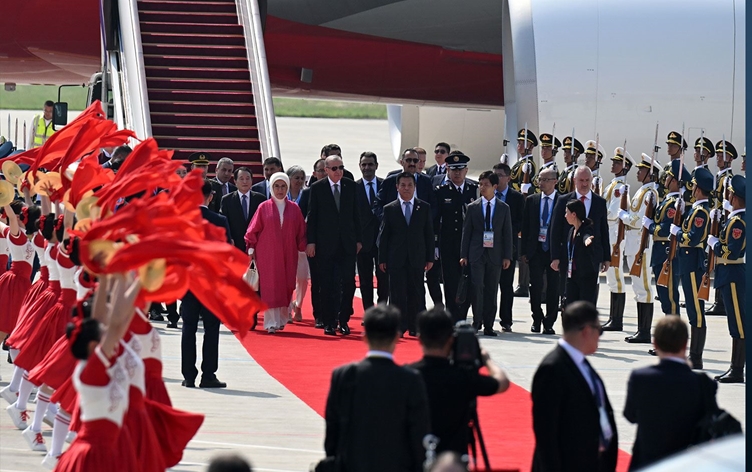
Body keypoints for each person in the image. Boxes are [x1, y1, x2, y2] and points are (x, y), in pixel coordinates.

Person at [324, 304, 430, 472]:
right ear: (396, 337)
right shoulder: (410, 379)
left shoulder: (344, 376)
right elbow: (418, 433)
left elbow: (332, 431)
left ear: (364, 336)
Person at [531, 301, 617, 472]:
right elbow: (546, 434)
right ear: (587, 331)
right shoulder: (552, 369)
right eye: (599, 331)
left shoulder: (582, 364)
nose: (600, 337)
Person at [410, 308, 509, 456]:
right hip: (454, 458)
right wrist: (487, 360)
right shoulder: (463, 376)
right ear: (451, 339)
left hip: (415, 456)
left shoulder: (408, 375)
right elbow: (502, 383)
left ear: (420, 339)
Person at [623, 315, 715, 470]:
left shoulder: (640, 378)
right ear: (685, 344)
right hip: (684, 463)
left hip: (647, 461)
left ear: (655, 343)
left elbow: (630, 415)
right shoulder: (702, 383)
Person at [180, 180, 232, 389]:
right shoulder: (219, 220)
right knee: (211, 329)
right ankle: (208, 374)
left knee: (188, 328)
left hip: (189, 280)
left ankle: (188, 375)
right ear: (210, 196)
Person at [306, 155, 362, 336]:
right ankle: (329, 321)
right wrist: (311, 242)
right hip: (326, 245)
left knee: (348, 283)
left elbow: (357, 215)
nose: (339, 171)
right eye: (335, 168)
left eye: (341, 167)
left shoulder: (351, 186)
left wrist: (359, 240)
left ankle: (343, 320)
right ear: (326, 170)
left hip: (347, 244)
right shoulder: (317, 188)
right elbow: (312, 217)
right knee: (327, 284)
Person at [244, 173, 307, 333]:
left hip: (288, 253)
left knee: (286, 285)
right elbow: (253, 229)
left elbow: (301, 231)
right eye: (276, 186)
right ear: (271, 187)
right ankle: (270, 323)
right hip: (268, 254)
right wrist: (251, 247)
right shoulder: (263, 207)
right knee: (270, 286)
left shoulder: (294, 208)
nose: (280, 190)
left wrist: (304, 246)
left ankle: (281, 320)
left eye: (283, 186)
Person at [378, 172, 434, 336]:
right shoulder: (390, 208)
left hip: (417, 257)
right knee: (397, 293)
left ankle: (415, 326)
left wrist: (430, 257)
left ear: (415, 187)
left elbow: (428, 234)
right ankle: (399, 326)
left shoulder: (424, 207)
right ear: (397, 187)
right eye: (403, 185)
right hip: (396, 258)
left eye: (410, 185)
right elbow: (384, 236)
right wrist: (382, 258)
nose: (406, 188)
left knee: (416, 292)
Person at [460, 171, 512, 335]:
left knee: (491, 289)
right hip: (476, 253)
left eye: (486, 185)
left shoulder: (503, 208)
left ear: (495, 187)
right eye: (480, 184)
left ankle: (489, 324)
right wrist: (464, 254)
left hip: (495, 254)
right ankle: (477, 321)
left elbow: (507, 233)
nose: (482, 188)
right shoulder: (473, 207)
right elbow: (466, 232)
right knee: (477, 287)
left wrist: (507, 256)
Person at [549, 166, 610, 306]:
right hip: (568, 258)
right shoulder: (564, 200)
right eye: (581, 180)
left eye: (587, 180)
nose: (584, 184)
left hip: (591, 259)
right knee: (569, 297)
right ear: (575, 180)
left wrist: (606, 257)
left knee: (588, 299)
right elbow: (555, 230)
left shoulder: (599, 202)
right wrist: (555, 256)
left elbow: (603, 230)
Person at [670, 167, 712, 368]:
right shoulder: (695, 209)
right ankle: (693, 355)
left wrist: (677, 233)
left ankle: (696, 357)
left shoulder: (701, 212)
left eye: (693, 186)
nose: (691, 189)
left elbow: (693, 238)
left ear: (698, 188)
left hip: (694, 264)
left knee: (696, 311)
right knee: (692, 309)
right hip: (687, 264)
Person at [708, 174, 746, 383]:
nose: (728, 196)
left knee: (738, 323)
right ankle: (735, 367)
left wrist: (714, 244)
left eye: (730, 193)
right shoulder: (734, 219)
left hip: (733, 275)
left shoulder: (738, 223)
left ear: (735, 197)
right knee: (734, 322)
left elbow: (732, 252)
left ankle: (737, 369)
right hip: (728, 275)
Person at [620, 154, 661, 343]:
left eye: (642, 170)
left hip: (641, 245)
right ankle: (641, 329)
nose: (638, 172)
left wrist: (624, 217)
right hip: (633, 243)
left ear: (650, 174)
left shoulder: (650, 193)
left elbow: (640, 221)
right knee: (638, 287)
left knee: (643, 287)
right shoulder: (643, 191)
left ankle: (644, 331)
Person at [433, 152, 477, 320]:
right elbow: (435, 220)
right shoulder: (441, 191)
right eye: (453, 170)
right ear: (447, 170)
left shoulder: (474, 190)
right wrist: (436, 244)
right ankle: (452, 316)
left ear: (466, 170)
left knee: (468, 281)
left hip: (469, 245)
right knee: (450, 282)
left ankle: (463, 314)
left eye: (460, 169)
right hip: (448, 244)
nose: (457, 173)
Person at [521, 167, 559, 334]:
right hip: (536, 250)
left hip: (553, 252)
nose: (541, 183)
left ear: (554, 181)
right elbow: (526, 227)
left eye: (545, 180)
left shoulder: (562, 200)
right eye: (540, 180)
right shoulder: (532, 200)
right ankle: (537, 318)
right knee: (535, 286)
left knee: (553, 287)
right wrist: (524, 252)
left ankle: (549, 321)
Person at [601, 147, 634, 331]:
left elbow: (613, 212)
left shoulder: (620, 187)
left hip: (614, 234)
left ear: (625, 167)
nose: (613, 164)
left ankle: (617, 319)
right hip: (608, 233)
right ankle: (613, 317)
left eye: (617, 162)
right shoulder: (612, 184)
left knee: (616, 275)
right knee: (611, 277)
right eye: (613, 161)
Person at [706, 139, 737, 316]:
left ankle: (721, 303)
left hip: (723, 224)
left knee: (721, 261)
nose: (718, 157)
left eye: (722, 155)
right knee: (716, 262)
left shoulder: (728, 179)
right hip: (715, 223)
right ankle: (719, 301)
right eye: (717, 155)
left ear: (730, 159)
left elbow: (731, 204)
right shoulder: (718, 177)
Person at [493, 163, 524, 330]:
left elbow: (521, 221)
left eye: (499, 175)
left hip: (507, 246)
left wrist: (505, 228)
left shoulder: (516, 198)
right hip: (488, 245)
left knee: (506, 285)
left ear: (508, 178)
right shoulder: (487, 193)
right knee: (488, 285)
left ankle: (506, 320)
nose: (496, 178)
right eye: (494, 175)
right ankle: (486, 318)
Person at [355, 152, 388, 310]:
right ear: (360, 166)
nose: (367, 167)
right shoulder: (354, 187)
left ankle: (381, 311)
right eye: (364, 164)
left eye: (370, 164)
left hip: (383, 241)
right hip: (363, 242)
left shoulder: (385, 185)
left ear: (376, 166)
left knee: (384, 279)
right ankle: (368, 312)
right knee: (365, 279)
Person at [375, 148, 437, 221]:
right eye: (408, 160)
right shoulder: (390, 181)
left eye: (415, 161)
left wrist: (425, 221)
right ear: (402, 162)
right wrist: (386, 219)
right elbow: (377, 203)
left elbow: (434, 205)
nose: (412, 163)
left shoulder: (426, 181)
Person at [561, 199, 601, 305]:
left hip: (585, 276)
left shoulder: (587, 229)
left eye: (567, 213)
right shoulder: (571, 230)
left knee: (584, 307)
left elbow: (586, 236)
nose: (565, 216)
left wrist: (587, 240)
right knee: (570, 305)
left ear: (574, 214)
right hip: (571, 275)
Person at [220, 167, 265, 253]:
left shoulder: (260, 199)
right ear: (235, 181)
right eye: (241, 179)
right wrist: (229, 239)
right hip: (234, 244)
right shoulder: (227, 200)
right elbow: (224, 222)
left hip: (255, 245)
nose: (245, 182)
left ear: (252, 180)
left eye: (247, 178)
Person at [286, 165, 309, 321]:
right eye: (296, 178)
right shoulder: (282, 193)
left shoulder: (307, 194)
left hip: (302, 243)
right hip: (285, 242)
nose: (299, 181)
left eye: (302, 178)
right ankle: (288, 308)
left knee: (302, 277)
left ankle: (298, 305)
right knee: (287, 277)